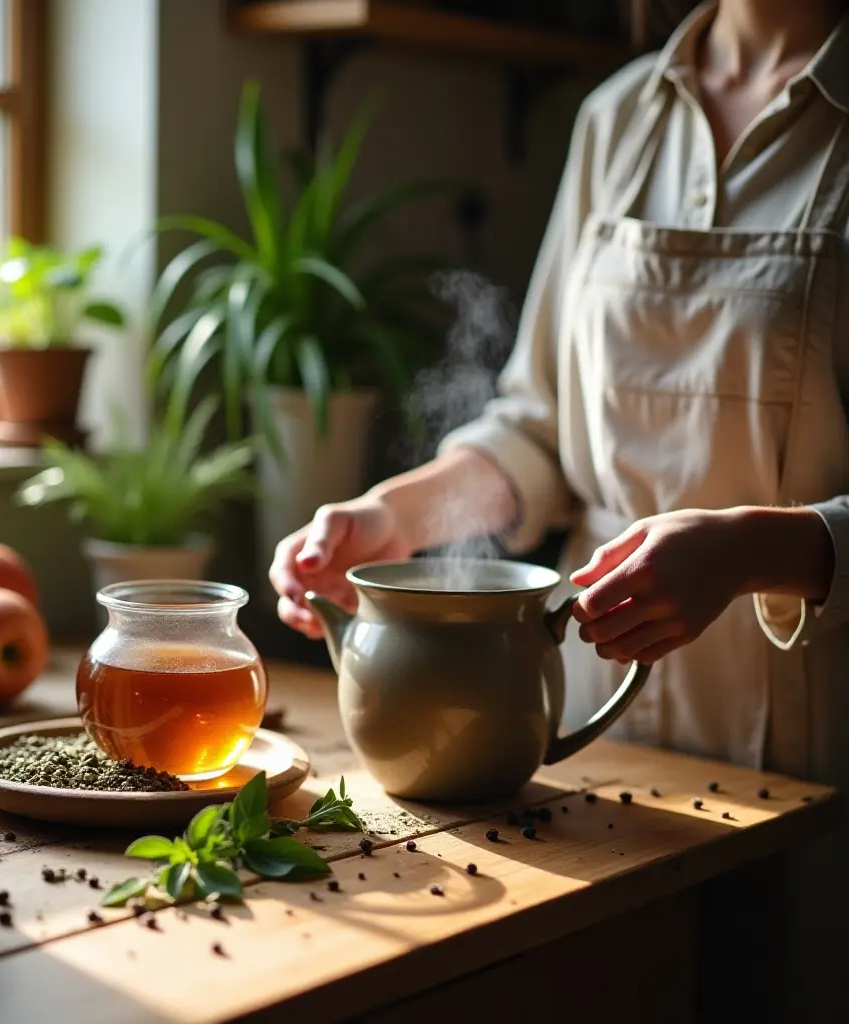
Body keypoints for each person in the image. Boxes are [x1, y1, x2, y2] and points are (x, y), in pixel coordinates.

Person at [271, 1, 849, 1019]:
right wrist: (391, 514)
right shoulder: (616, 117)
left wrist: (750, 546)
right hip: (588, 733)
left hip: (817, 765)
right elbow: (537, 432)